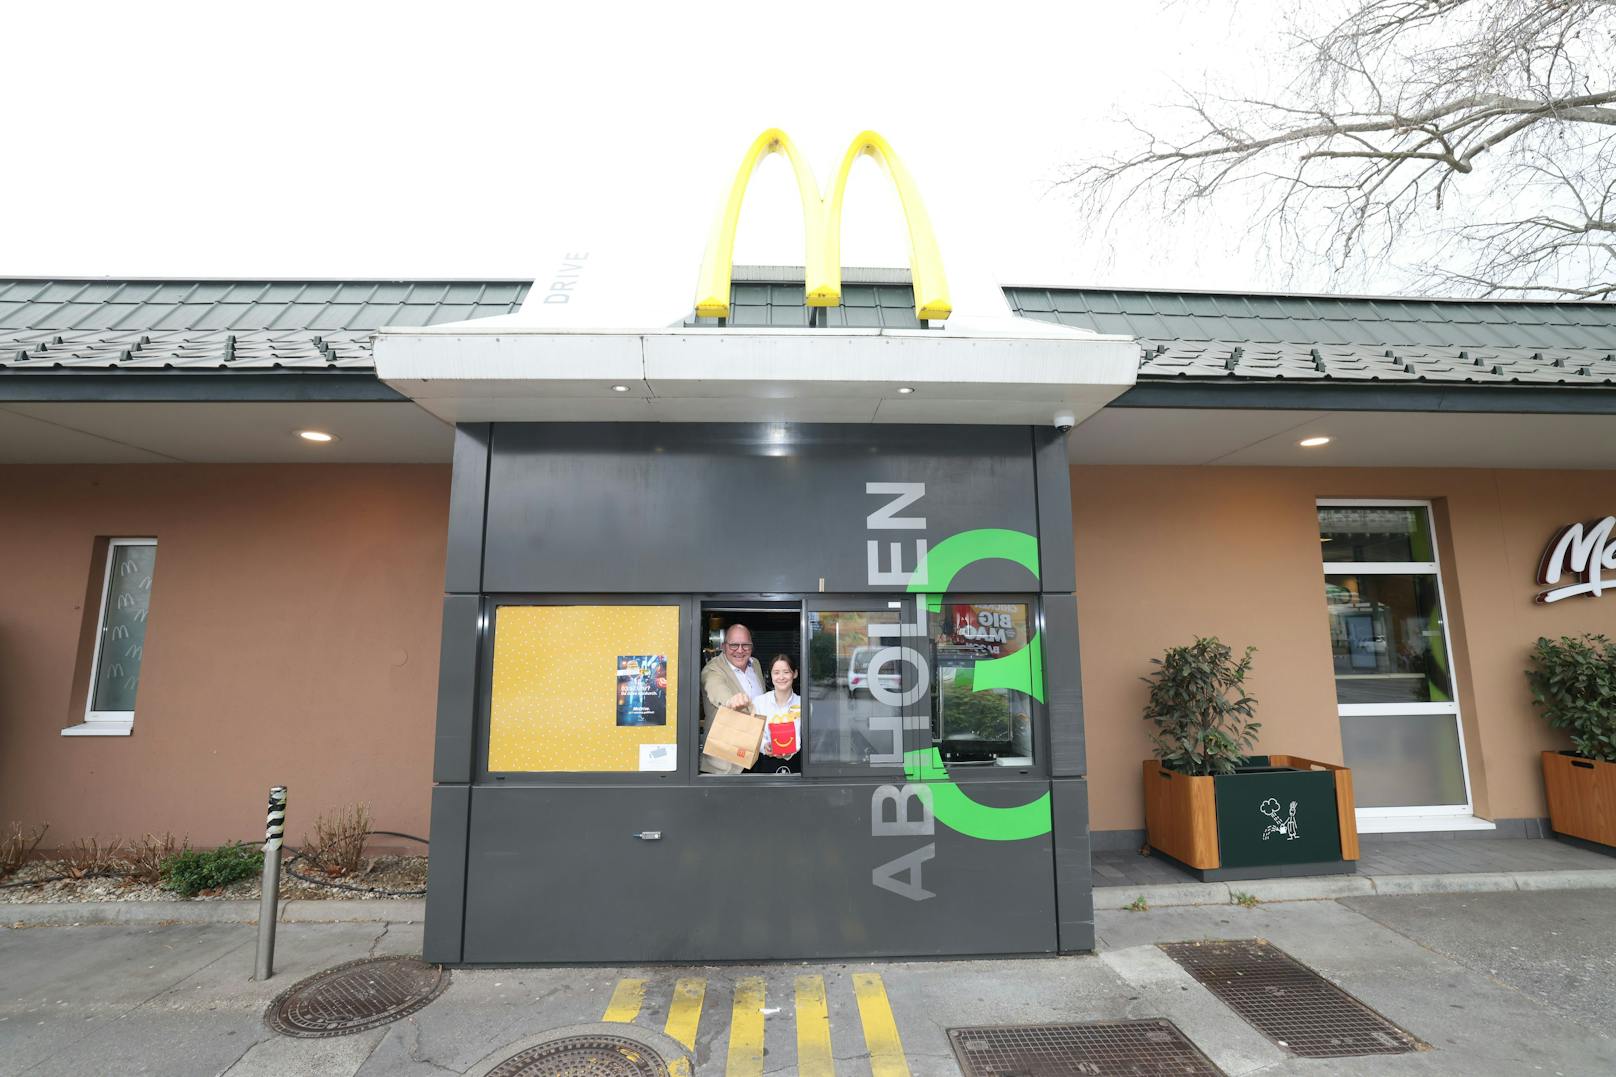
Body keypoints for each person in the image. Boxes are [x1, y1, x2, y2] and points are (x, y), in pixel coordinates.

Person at [699, 623, 765, 775]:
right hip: (726, 765)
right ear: (723, 646)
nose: (740, 650)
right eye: (734, 645)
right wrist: (730, 700)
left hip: (756, 754)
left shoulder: (755, 664)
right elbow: (715, 688)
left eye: (745, 645)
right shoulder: (712, 668)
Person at [748, 653, 801, 775]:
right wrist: (764, 746)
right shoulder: (759, 703)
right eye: (776, 672)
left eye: (786, 672)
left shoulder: (803, 704)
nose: (781, 677)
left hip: (796, 766)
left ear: (795, 674)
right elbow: (754, 735)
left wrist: (790, 750)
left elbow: (806, 738)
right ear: (770, 675)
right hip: (765, 765)